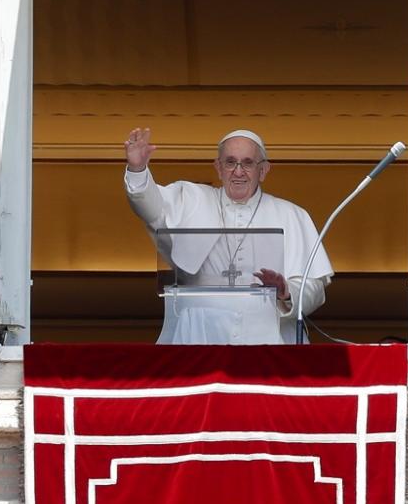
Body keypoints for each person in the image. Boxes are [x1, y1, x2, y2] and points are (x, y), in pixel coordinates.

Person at [124, 127, 333, 344]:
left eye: (248, 163)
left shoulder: (291, 214)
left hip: (269, 337)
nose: (238, 171)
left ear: (263, 170)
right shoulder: (191, 199)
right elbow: (152, 209)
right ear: (218, 168)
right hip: (199, 335)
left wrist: (286, 291)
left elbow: (314, 287)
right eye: (231, 162)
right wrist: (137, 169)